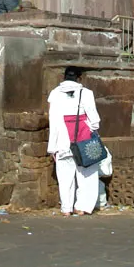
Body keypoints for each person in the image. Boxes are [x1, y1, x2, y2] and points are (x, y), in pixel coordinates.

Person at [46, 66, 102, 215]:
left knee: (65, 177)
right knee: (87, 175)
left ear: (64, 77)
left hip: (62, 141)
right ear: (79, 78)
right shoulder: (86, 93)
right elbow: (95, 120)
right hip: (84, 139)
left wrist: (52, 147)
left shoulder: (55, 94)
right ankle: (81, 207)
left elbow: (53, 121)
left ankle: (66, 208)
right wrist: (90, 127)